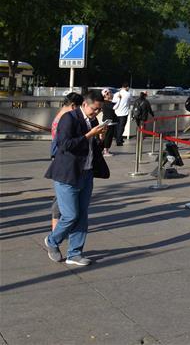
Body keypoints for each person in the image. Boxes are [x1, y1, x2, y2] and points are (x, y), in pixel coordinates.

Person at [44, 90, 110, 266]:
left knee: (82, 215)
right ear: (85, 105)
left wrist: (101, 137)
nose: (97, 113)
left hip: (86, 172)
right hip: (67, 173)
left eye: (99, 110)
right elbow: (64, 144)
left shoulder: (94, 120)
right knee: (70, 215)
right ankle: (52, 241)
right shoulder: (69, 118)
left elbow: (93, 147)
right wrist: (89, 135)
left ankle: (75, 253)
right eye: (95, 109)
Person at [49, 92, 84, 231]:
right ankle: (56, 229)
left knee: (60, 197)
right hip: (63, 159)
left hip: (58, 156)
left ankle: (57, 227)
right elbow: (65, 143)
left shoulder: (59, 115)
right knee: (61, 198)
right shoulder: (65, 118)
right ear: (74, 105)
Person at [100, 89, 116, 156]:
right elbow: (114, 107)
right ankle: (105, 150)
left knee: (109, 136)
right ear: (105, 95)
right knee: (107, 136)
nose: (111, 94)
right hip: (108, 121)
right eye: (109, 93)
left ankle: (106, 150)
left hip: (111, 121)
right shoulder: (105, 102)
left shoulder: (109, 102)